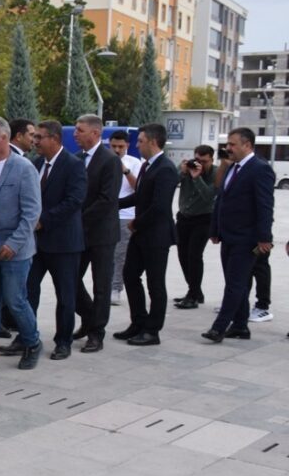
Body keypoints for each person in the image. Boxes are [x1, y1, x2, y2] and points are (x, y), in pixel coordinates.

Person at [0, 117, 42, 370]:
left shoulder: (23, 168)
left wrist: (14, 243)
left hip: (15, 249)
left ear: (3, 137)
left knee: (15, 300)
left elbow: (31, 212)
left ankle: (32, 342)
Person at [20, 120, 86, 360]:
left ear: (55, 140)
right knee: (27, 291)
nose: (35, 141)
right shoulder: (36, 164)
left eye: (40, 137)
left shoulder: (73, 165)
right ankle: (27, 337)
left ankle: (63, 341)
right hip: (36, 243)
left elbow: (74, 200)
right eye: (34, 137)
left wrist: (43, 220)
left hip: (64, 243)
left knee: (65, 296)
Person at [204, 128, 274, 342]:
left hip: (248, 239)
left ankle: (219, 327)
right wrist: (215, 230)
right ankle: (241, 326)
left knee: (235, 284)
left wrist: (264, 238)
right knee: (237, 283)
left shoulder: (260, 169)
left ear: (247, 145)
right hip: (229, 235)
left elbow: (264, 206)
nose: (228, 148)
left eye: (233, 144)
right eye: (228, 144)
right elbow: (221, 200)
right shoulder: (233, 168)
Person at [115, 122, 179, 346]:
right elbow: (140, 196)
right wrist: (114, 204)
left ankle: (152, 330)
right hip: (142, 233)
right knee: (130, 275)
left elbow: (160, 207)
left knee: (155, 283)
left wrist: (136, 223)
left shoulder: (166, 169)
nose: (137, 146)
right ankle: (138, 322)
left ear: (152, 141)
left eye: (140, 141)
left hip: (156, 236)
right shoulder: (147, 166)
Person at [72, 115, 121, 354]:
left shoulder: (109, 160)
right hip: (79, 234)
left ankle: (96, 333)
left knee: (101, 285)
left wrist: (78, 220)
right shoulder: (77, 159)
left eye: (80, 130)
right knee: (70, 279)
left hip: (101, 234)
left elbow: (107, 199)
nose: (75, 134)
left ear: (95, 133)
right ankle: (89, 317)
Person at [174, 144, 216, 310]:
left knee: (194, 256)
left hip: (203, 219)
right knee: (183, 256)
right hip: (184, 218)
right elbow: (170, 183)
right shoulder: (187, 167)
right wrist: (182, 172)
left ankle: (193, 295)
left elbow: (208, 197)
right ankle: (195, 291)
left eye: (204, 161)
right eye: (197, 160)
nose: (200, 164)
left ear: (212, 160)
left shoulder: (216, 173)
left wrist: (197, 177)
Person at [108, 130, 142, 306]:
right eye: (113, 146)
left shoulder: (134, 163)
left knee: (120, 254)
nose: (117, 149)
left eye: (120, 146)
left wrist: (125, 170)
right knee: (105, 253)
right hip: (106, 215)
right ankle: (106, 286)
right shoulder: (105, 160)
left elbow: (138, 188)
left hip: (125, 215)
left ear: (127, 146)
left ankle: (116, 288)